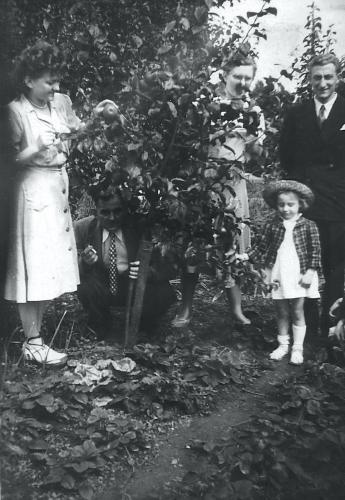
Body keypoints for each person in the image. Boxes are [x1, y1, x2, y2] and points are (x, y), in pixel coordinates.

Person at [4, 41, 83, 366]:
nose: (56, 87)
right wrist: (35, 148)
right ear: (29, 80)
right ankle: (32, 341)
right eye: (49, 81)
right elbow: (8, 161)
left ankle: (37, 335)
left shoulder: (59, 104)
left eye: (57, 80)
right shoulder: (15, 112)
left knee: (51, 266)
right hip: (33, 191)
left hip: (57, 189)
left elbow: (77, 131)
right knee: (33, 267)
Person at [172, 52, 265, 328]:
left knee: (232, 245)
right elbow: (191, 143)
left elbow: (258, 155)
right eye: (238, 76)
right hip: (204, 183)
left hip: (233, 187)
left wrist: (252, 137)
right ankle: (186, 307)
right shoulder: (206, 104)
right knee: (194, 245)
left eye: (248, 77)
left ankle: (236, 308)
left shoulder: (254, 111)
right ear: (225, 75)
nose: (243, 82)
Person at [280, 53, 345, 337]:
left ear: (338, 78)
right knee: (302, 263)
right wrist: (295, 196)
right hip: (305, 200)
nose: (323, 83)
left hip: (339, 201)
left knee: (334, 266)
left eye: (328, 77)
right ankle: (303, 328)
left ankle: (331, 329)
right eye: (317, 77)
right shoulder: (297, 114)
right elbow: (286, 156)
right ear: (309, 79)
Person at [74, 186, 177, 341]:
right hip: (103, 285)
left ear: (126, 210)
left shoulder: (141, 227)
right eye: (105, 212)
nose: (112, 218)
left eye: (117, 211)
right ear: (96, 210)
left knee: (163, 291)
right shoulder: (83, 228)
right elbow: (68, 267)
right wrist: (84, 262)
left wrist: (148, 272)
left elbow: (170, 266)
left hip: (135, 285)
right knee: (84, 286)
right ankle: (100, 324)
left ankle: (145, 325)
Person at [247, 180, 321, 364]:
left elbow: (315, 251)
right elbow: (261, 247)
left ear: (300, 204)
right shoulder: (271, 225)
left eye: (290, 204)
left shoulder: (309, 225)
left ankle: (298, 348)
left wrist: (310, 272)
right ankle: (283, 345)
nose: (286, 209)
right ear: (276, 205)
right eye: (281, 205)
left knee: (297, 311)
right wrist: (245, 257)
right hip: (278, 273)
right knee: (281, 311)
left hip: (299, 274)